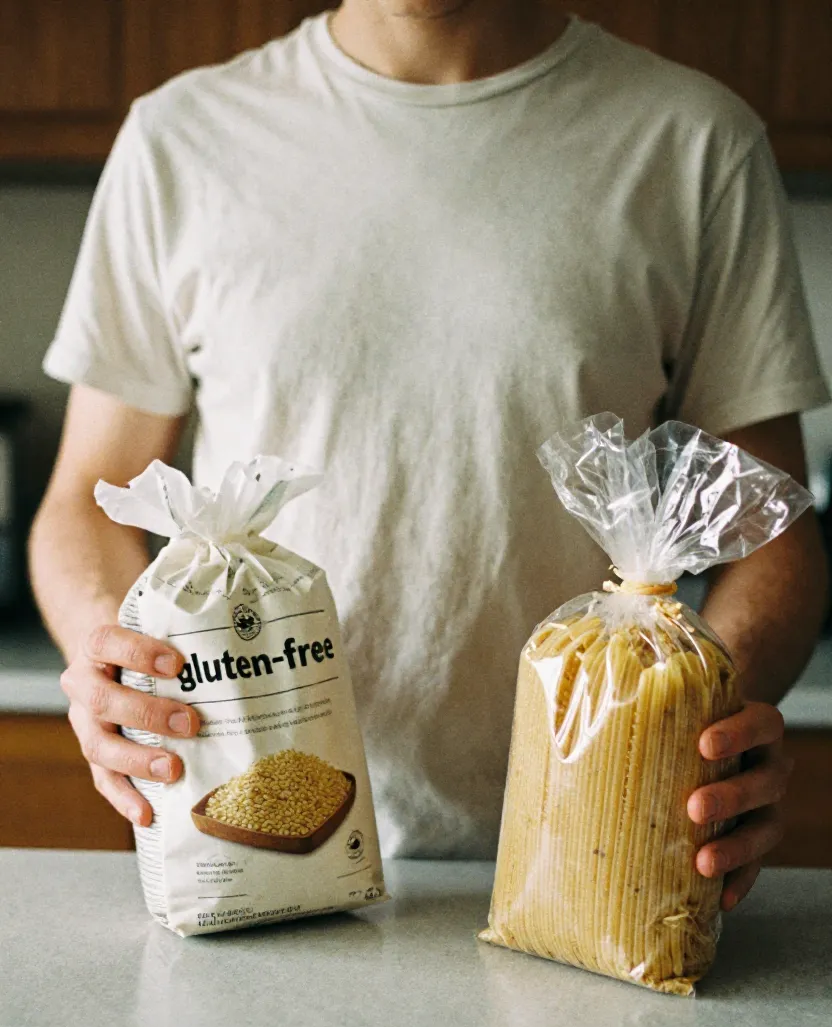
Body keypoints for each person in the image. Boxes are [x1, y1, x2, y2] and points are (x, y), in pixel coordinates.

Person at [31, 1, 830, 910]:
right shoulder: (180, 138)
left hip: (591, 856)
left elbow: (773, 537)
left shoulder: (693, 141)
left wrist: (699, 731)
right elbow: (85, 510)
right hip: (252, 857)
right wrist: (115, 669)